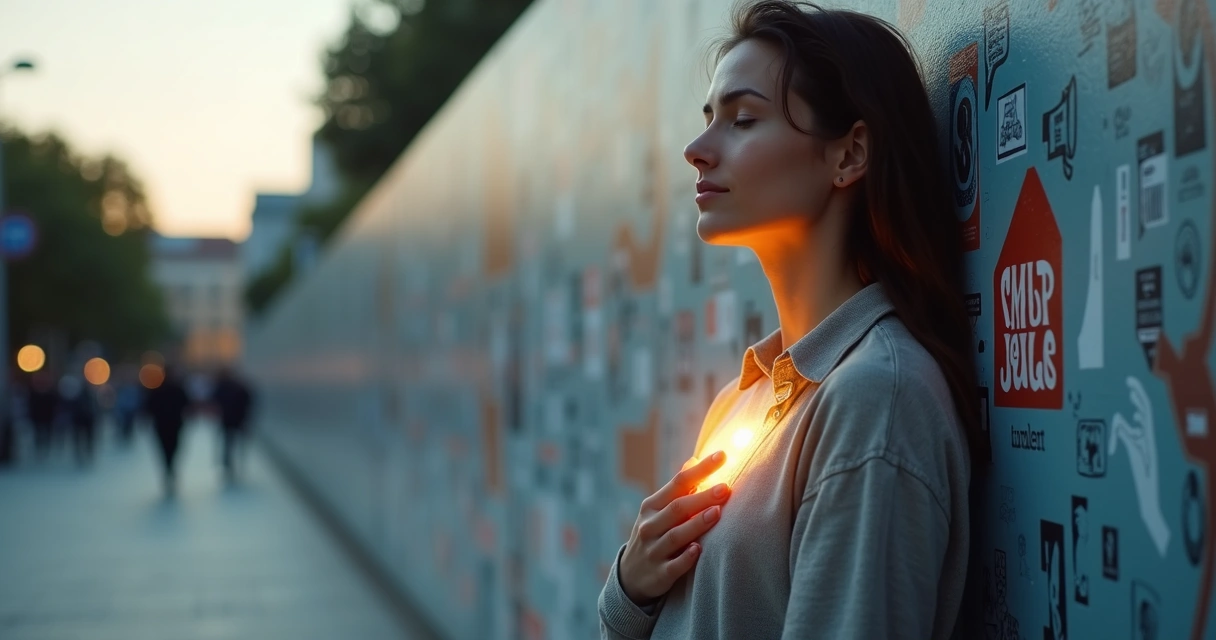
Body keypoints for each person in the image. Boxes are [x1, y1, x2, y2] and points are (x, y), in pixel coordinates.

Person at [598, 3, 981, 639]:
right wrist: (630, 590)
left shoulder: (876, 401)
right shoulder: (742, 398)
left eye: (743, 120)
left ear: (849, 154)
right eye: (708, 121)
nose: (696, 151)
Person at [143, 366, 191, 495]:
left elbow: (148, 407)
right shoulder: (175, 389)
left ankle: (168, 467)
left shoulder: (159, 390)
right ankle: (170, 467)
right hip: (172, 424)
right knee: (172, 447)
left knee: (166, 448)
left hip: (164, 424)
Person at [210, 368, 254, 479]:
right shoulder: (239, 387)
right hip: (238, 419)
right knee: (236, 442)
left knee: (228, 442)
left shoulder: (222, 387)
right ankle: (236, 463)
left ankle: (229, 463)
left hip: (228, 420)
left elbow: (214, 401)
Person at [27, 371, 58, 458]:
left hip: (47, 417)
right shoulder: (34, 393)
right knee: (38, 432)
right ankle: (39, 447)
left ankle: (45, 447)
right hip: (38, 417)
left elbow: (54, 405)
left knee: (46, 432)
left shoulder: (50, 393)